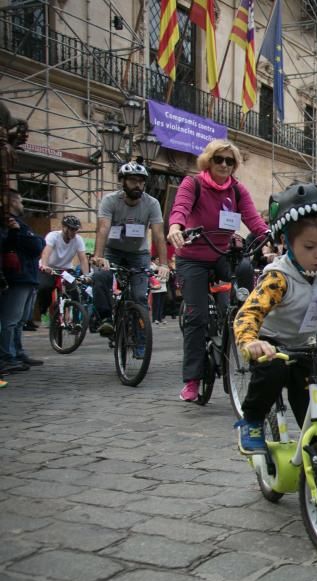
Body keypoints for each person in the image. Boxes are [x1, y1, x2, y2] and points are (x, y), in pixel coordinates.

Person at [232, 183, 317, 452]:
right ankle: (252, 421)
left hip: (304, 346)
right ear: (287, 244)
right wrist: (250, 341)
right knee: (271, 374)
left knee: (315, 396)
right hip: (272, 344)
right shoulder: (278, 278)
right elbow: (250, 312)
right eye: (309, 246)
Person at [166, 139, 269, 403]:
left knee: (245, 267)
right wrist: (176, 227)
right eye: (219, 159)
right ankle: (191, 380)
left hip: (222, 254)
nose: (224, 165)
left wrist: (271, 233)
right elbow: (181, 208)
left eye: (230, 161)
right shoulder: (193, 184)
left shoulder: (237, 190)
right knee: (197, 318)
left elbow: (254, 219)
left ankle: (240, 310)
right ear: (208, 161)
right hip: (193, 258)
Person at [92, 161, 169, 337]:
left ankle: (140, 342)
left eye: (141, 181)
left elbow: (158, 235)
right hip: (113, 251)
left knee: (140, 297)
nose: (138, 185)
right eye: (133, 180)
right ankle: (105, 319)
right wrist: (98, 256)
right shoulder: (110, 201)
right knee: (100, 276)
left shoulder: (152, 203)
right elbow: (103, 229)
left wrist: (164, 264)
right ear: (123, 182)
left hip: (139, 253)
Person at [0, 189, 44, 373]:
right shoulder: (8, 224)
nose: (22, 205)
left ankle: (17, 353)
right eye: (20, 201)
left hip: (28, 277)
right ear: (11, 203)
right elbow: (35, 245)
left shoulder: (20, 225)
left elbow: (39, 244)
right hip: (18, 277)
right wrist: (27, 238)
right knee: (10, 321)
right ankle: (7, 356)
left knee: (19, 321)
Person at [37, 215, 90, 321]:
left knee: (75, 291)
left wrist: (86, 275)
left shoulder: (78, 240)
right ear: (64, 228)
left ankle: (77, 322)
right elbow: (46, 252)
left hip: (66, 269)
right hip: (49, 268)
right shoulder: (53, 236)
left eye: (76, 229)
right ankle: (43, 308)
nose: (74, 232)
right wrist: (44, 265)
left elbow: (83, 259)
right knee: (44, 287)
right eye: (71, 229)